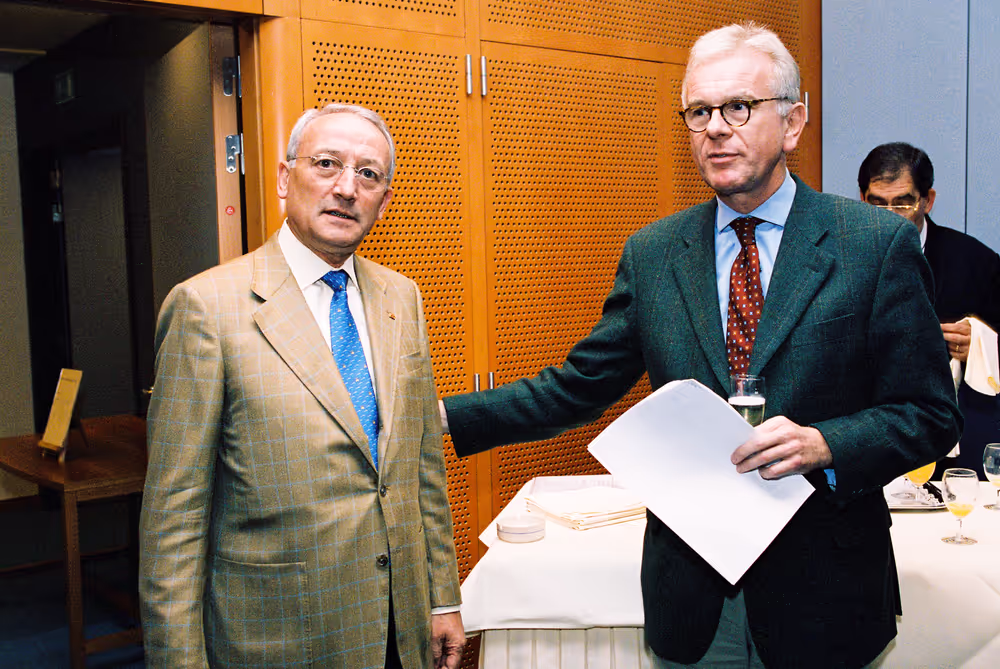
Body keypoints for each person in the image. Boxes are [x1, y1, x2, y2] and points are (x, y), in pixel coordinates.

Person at [440, 23, 960, 669]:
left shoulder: (874, 246)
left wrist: (828, 443)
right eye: (698, 111)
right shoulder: (656, 254)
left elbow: (931, 413)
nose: (715, 127)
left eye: (738, 106)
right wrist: (438, 414)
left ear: (793, 121)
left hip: (825, 595)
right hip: (693, 601)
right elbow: (577, 387)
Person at [139, 103, 464, 669]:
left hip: (398, 629)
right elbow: (175, 517)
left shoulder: (401, 299)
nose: (346, 187)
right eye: (327, 163)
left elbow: (421, 469)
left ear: (384, 202)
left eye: (368, 174)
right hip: (277, 636)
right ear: (287, 179)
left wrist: (442, 599)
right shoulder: (206, 308)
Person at [859, 142, 1000, 479]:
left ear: (927, 200)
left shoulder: (975, 261)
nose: (890, 216)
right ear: (863, 199)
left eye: (903, 203)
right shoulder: (840, 261)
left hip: (959, 443)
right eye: (877, 204)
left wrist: (982, 345)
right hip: (869, 438)